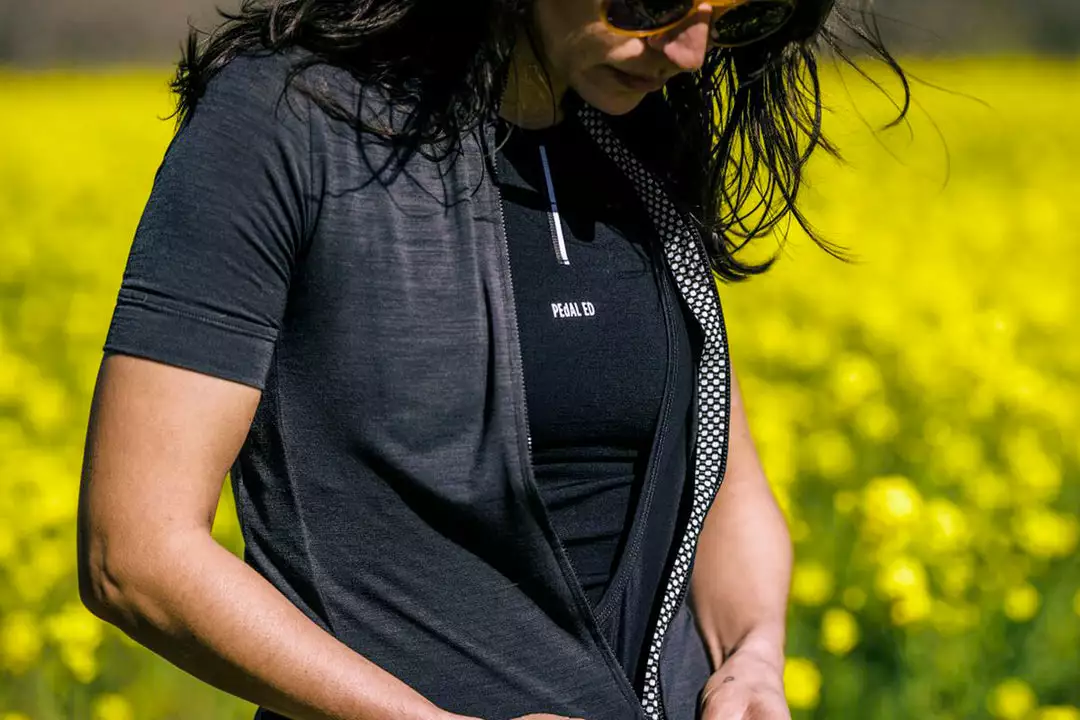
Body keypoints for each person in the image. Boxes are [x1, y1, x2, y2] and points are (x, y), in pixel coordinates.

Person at [76, 1, 906, 719]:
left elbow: (719, 481)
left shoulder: (637, 141)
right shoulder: (285, 121)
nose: (690, 51)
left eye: (729, 11)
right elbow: (136, 554)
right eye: (650, 0)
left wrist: (752, 660)